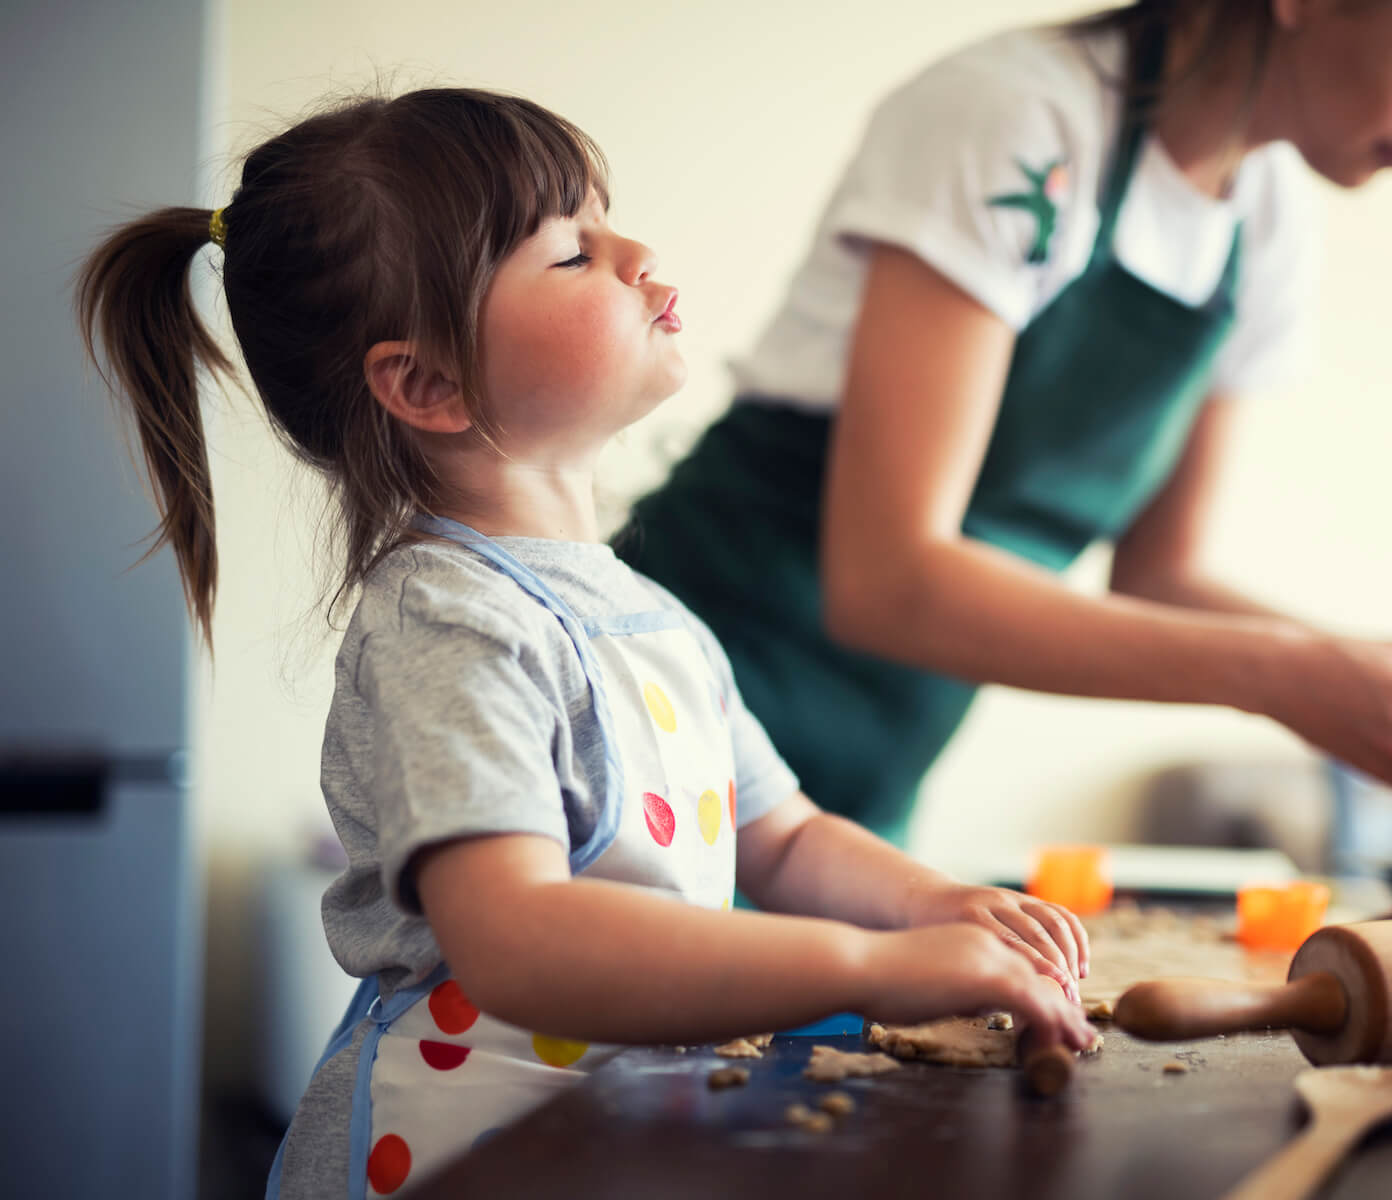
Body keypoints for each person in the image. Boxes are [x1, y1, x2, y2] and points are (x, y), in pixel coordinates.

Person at [76, 87, 1096, 1199]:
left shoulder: (651, 615)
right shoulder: (449, 619)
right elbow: (519, 937)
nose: (636, 252)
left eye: (608, 223)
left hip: (616, 1147)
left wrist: (932, 905)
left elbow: (786, 839)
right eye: (572, 252)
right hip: (458, 1160)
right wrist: (871, 967)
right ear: (428, 383)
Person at [618, 0, 1392, 845]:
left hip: (858, 802)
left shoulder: (1265, 221)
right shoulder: (1015, 121)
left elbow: (1164, 576)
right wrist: (1284, 677)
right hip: (674, 727)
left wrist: (1372, 672)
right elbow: (888, 582)